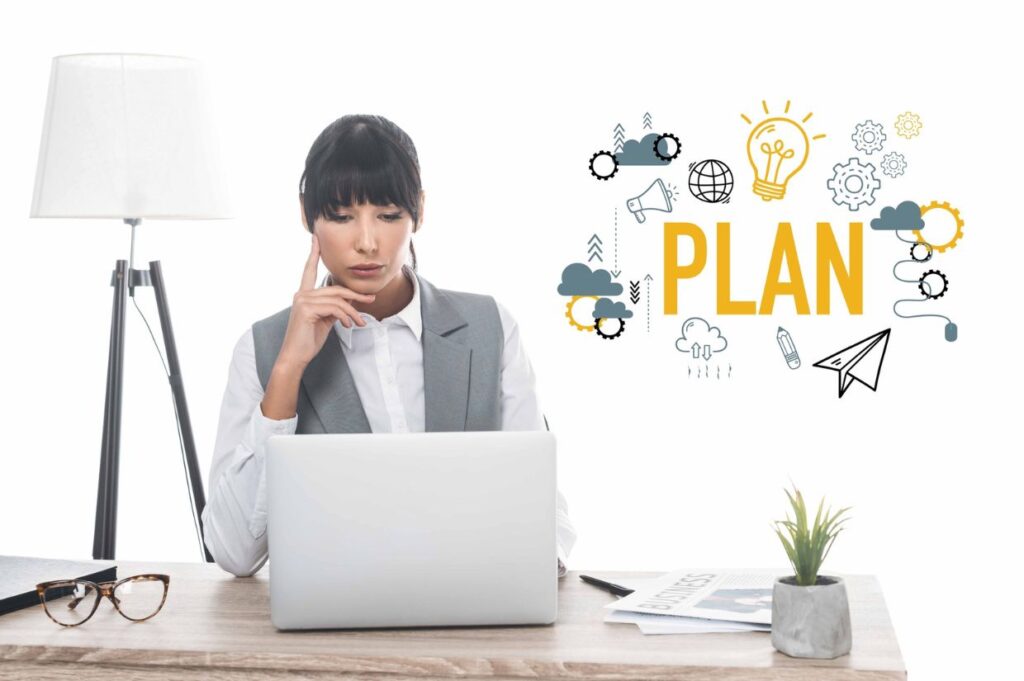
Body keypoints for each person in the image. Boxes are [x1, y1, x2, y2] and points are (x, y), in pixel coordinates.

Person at [201, 114, 577, 578]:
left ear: (418, 209)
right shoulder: (261, 349)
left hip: (473, 611)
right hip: (335, 626)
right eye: (341, 217)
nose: (366, 242)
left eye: (389, 215)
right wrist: (287, 372)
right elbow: (234, 553)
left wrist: (532, 556)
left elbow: (546, 514)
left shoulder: (490, 328)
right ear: (306, 215)